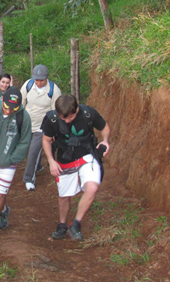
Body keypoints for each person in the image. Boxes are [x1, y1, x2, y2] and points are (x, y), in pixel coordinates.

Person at [42, 95, 110, 240]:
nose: (66, 121)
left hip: (87, 156)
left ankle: (76, 224)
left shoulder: (88, 114)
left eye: (70, 118)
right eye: (63, 118)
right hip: (64, 159)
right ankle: (62, 225)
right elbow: (46, 140)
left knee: (92, 187)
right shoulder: (52, 119)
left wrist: (105, 141)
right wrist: (51, 160)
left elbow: (104, 127)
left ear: (77, 109)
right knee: (64, 196)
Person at [0, 87, 32, 237]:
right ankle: (3, 210)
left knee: (0, 193)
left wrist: (12, 159)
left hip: (8, 163)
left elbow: (24, 142)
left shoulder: (24, 117)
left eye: (13, 109)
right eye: (7, 107)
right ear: (2, 99)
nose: (9, 111)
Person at [21, 64, 61, 191]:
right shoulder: (28, 85)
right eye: (36, 80)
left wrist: (54, 131)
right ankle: (37, 166)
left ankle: (28, 179)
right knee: (28, 149)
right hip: (28, 124)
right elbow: (21, 102)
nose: (38, 83)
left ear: (46, 79)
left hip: (42, 127)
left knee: (33, 151)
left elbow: (56, 112)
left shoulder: (54, 91)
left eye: (41, 80)